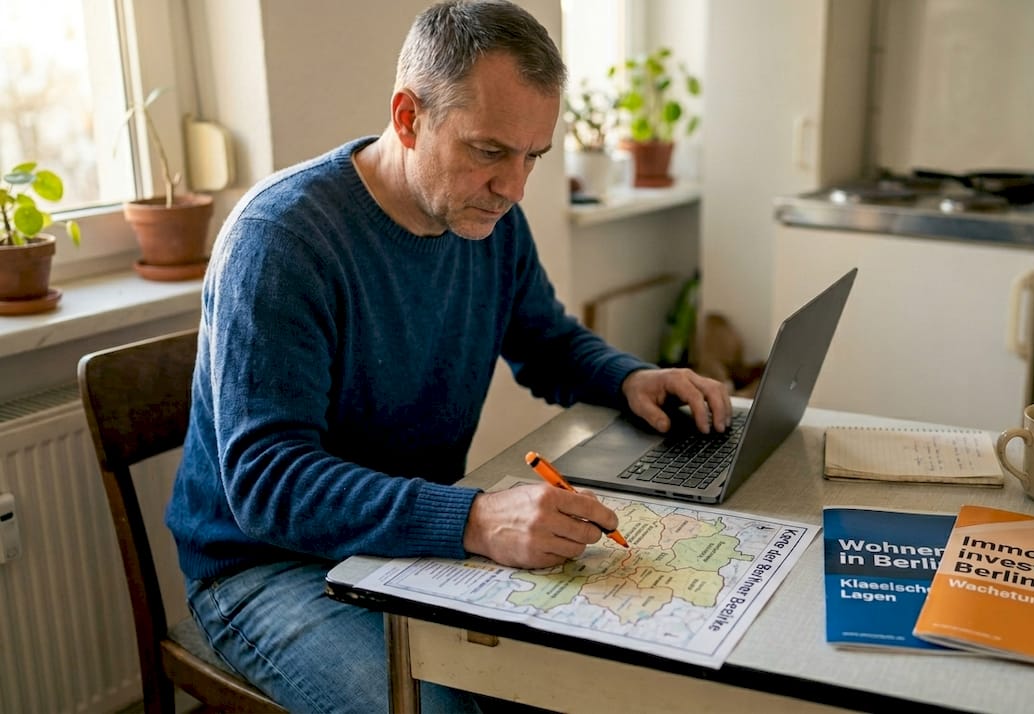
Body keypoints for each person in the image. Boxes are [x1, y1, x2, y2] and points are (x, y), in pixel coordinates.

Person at [164, 1, 731, 711]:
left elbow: (547, 342)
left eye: (533, 157)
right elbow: (267, 482)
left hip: (407, 545)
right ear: (408, 116)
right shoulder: (281, 239)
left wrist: (631, 376)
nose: (514, 188)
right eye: (489, 152)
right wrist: (474, 520)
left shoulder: (491, 219)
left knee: (581, 679)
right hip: (266, 567)